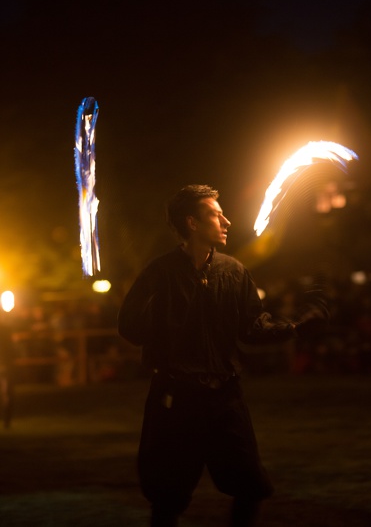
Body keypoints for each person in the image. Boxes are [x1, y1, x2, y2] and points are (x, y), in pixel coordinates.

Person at [118, 185, 306, 527]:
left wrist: (295, 326)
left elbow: (252, 328)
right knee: (167, 495)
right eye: (215, 214)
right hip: (175, 398)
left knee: (250, 484)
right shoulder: (160, 273)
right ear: (191, 223)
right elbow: (130, 327)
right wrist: (162, 312)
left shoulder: (233, 272)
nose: (227, 221)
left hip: (224, 397)